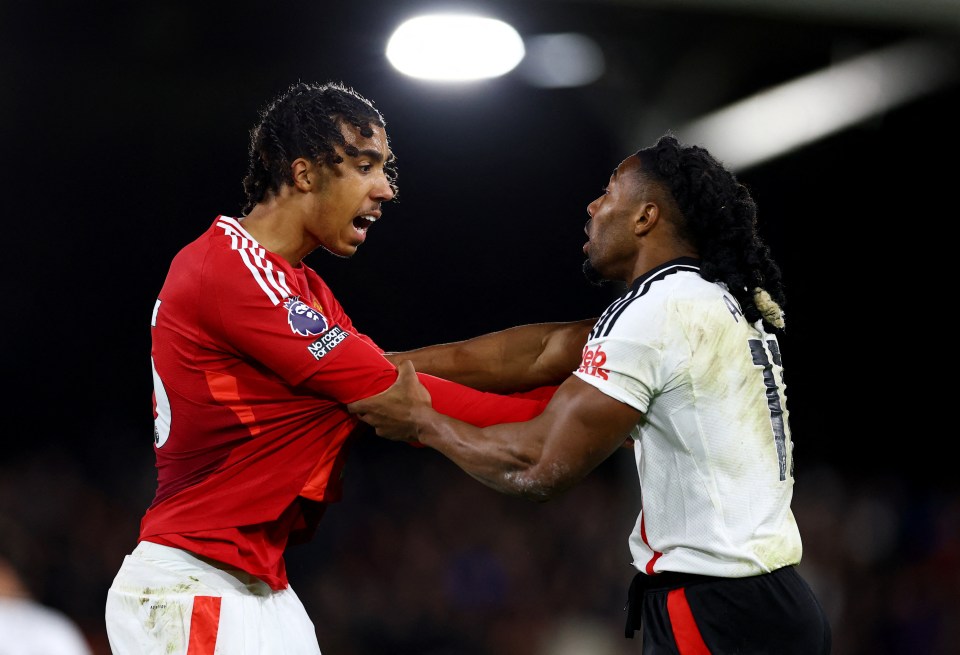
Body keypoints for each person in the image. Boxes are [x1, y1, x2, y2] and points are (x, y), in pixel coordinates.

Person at [104, 80, 590, 655]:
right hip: (193, 584)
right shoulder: (232, 272)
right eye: (365, 166)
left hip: (257, 587)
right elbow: (398, 395)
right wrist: (581, 410)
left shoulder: (301, 290)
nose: (386, 189)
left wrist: (587, 363)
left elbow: (398, 373)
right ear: (305, 174)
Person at [348, 134, 832, 654]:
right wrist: (377, 366)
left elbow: (537, 465)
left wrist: (422, 422)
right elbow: (542, 351)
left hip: (719, 612)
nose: (593, 205)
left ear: (646, 217)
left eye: (609, 190)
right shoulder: (711, 300)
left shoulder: (657, 308)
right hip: (772, 603)